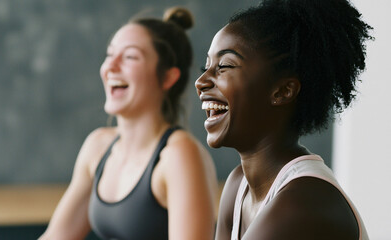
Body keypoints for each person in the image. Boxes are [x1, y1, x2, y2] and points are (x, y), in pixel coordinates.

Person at [195, 0, 373, 239]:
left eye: (224, 65)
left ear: (282, 91)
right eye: (206, 66)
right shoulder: (238, 186)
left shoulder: (304, 201)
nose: (201, 81)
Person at [40, 7, 218, 240]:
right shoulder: (98, 146)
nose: (110, 67)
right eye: (109, 54)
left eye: (130, 57)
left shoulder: (179, 155)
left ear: (167, 77)